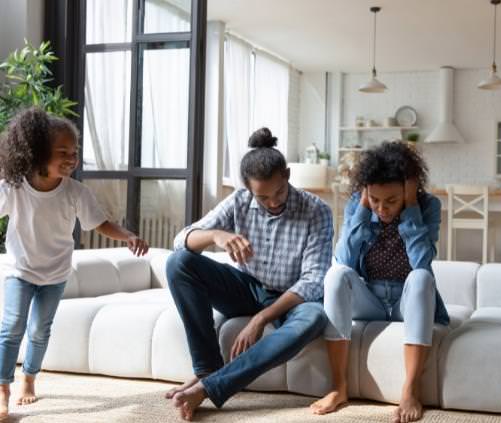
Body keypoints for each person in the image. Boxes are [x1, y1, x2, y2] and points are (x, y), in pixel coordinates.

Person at [165, 127, 333, 421]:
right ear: (248, 189)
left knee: (315, 316)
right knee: (179, 263)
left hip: (291, 298)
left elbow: (314, 280)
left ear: (288, 175)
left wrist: (261, 319)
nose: (273, 202)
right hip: (246, 289)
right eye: (262, 197)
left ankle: (210, 386)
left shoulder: (316, 210)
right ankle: (206, 367)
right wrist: (216, 235)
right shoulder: (239, 201)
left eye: (278, 192)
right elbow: (181, 241)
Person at [0, 107, 149, 418]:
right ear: (39, 153)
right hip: (20, 270)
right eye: (62, 151)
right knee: (12, 327)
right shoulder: (14, 188)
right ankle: (2, 388)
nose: (71, 157)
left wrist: (127, 236)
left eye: (75, 151)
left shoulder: (76, 192)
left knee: (40, 330)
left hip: (55, 274)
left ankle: (29, 377)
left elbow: (100, 223)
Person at [310, 141, 449, 423]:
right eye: (375, 199)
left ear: (409, 190)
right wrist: (363, 208)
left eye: (392, 201)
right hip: (370, 300)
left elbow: (422, 262)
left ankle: (410, 390)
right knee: (336, 273)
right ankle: (339, 388)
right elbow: (345, 259)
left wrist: (410, 208)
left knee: (421, 277)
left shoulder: (428, 205)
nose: (382, 209)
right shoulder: (358, 205)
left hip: (404, 303)